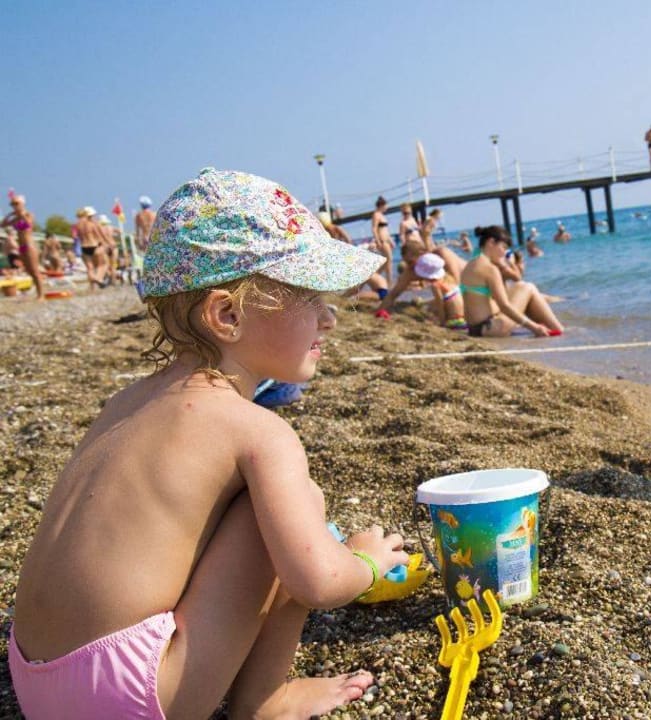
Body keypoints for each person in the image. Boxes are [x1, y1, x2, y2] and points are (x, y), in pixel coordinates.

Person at [9, 168, 405, 719]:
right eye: (310, 298)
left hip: (33, 682)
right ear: (227, 315)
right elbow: (317, 582)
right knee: (290, 511)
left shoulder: (125, 402)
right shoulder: (258, 430)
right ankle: (265, 701)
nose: (329, 319)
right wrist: (364, 560)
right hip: (122, 699)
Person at [459, 225, 562, 338]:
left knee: (520, 288)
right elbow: (504, 306)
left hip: (474, 330)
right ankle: (557, 329)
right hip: (491, 329)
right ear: (491, 242)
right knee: (528, 287)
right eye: (503, 247)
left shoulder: (470, 265)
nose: (504, 253)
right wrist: (533, 327)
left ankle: (550, 328)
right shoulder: (489, 269)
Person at [373, 238, 466, 319]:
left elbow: (457, 285)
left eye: (410, 262)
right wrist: (380, 310)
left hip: (467, 283)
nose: (410, 266)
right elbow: (393, 294)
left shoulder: (442, 255)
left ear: (422, 254)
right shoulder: (412, 270)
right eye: (406, 262)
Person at [1, 193, 45, 299]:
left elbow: (28, 223)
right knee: (28, 270)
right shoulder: (15, 218)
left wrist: (21, 214)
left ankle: (41, 295)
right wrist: (10, 214)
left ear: (22, 204)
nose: (14, 206)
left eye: (16, 203)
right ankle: (37, 292)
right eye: (12, 204)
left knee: (35, 270)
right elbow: (2, 225)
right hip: (22, 246)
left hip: (29, 244)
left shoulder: (28, 214)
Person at [413, 252, 466, 330]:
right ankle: (423, 304)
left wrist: (442, 323)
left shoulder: (435, 286)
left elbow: (440, 305)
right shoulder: (449, 279)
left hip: (454, 322)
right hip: (464, 320)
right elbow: (445, 299)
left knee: (429, 311)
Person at [370, 196, 395, 284]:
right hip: (381, 241)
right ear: (381, 205)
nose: (387, 207)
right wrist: (378, 241)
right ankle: (385, 281)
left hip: (386, 240)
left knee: (388, 262)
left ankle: (386, 281)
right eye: (386, 205)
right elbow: (374, 229)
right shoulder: (376, 215)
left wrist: (391, 241)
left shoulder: (382, 215)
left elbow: (386, 230)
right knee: (389, 260)